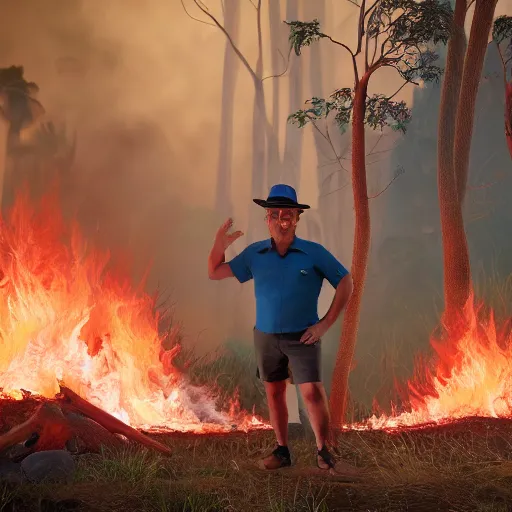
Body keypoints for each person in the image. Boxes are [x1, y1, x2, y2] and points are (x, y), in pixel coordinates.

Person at [208, 184, 353, 471]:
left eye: (287, 214)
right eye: (274, 214)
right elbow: (214, 272)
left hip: (303, 336)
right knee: (275, 392)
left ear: (297, 218)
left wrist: (324, 325)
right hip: (266, 336)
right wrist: (218, 245)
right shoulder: (255, 254)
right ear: (267, 219)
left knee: (311, 392)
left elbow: (346, 282)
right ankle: (282, 451)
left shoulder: (313, 253)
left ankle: (324, 451)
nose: (281, 220)